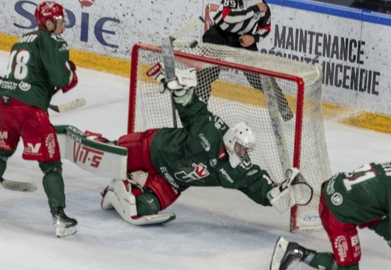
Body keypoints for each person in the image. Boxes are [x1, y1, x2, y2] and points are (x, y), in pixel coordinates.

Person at [100, 63, 312, 226]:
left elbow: (258, 185)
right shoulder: (211, 131)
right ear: (231, 140)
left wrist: (278, 193)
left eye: (246, 150)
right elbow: (194, 109)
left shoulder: (238, 170)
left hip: (172, 181)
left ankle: (120, 189)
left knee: (144, 207)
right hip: (155, 148)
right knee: (109, 154)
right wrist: (181, 91)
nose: (243, 153)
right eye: (241, 148)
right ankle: (95, 142)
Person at [0, 1, 80, 238]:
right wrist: (70, 74)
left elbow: (35, 72)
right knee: (51, 165)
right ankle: (60, 217)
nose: (63, 28)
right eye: (61, 23)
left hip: (0, 105)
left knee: (1, 153)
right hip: (28, 111)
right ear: (50, 22)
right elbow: (61, 77)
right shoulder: (53, 40)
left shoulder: (21, 40)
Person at [269, 150, 391, 270]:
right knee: (348, 269)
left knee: (387, 223)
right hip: (338, 213)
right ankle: (296, 252)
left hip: (335, 192)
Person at [196, 0, 293, 121]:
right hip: (219, 35)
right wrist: (254, 10)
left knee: (261, 77)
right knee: (207, 72)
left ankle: (285, 111)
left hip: (243, 40)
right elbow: (227, 18)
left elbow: (265, 27)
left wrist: (253, 38)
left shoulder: (264, 7)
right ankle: (198, 111)